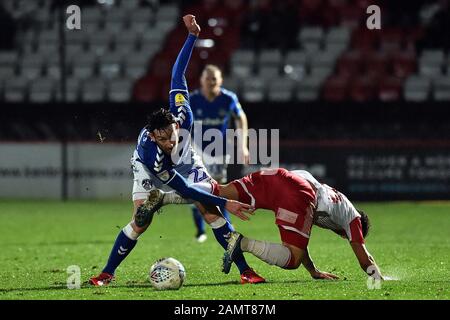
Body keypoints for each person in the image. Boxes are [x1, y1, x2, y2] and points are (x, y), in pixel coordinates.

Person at [89, 15, 265, 286]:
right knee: (140, 220)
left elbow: (177, 73)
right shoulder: (152, 154)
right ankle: (107, 273)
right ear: (152, 136)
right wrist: (226, 200)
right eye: (163, 140)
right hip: (146, 168)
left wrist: (192, 36)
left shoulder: (182, 113)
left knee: (210, 211)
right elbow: (186, 190)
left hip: (186, 159)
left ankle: (245, 271)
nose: (169, 142)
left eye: (171, 136)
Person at [145, 168, 384, 281]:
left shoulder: (332, 201)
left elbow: (302, 236)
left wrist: (312, 271)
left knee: (221, 191)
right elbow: (365, 259)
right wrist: (379, 279)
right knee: (291, 260)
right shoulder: (351, 217)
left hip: (277, 176)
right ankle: (242, 242)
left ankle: (164, 197)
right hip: (298, 193)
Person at [190, 64, 250, 243]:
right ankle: (200, 231)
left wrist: (243, 145)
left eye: (214, 78)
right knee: (195, 189)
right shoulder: (193, 99)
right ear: (201, 80)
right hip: (197, 151)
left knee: (219, 190)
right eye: (207, 78)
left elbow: (241, 118)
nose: (211, 82)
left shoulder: (228, 98)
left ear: (220, 80)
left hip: (220, 150)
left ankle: (227, 229)